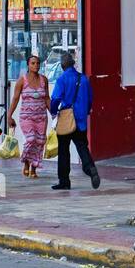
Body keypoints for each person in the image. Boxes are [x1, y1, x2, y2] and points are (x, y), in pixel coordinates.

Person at [49, 52, 99, 190]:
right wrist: (85, 111)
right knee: (82, 146)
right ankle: (90, 168)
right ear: (73, 64)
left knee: (64, 150)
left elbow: (55, 99)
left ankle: (64, 181)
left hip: (66, 119)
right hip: (81, 120)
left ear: (62, 65)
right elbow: (90, 100)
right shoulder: (84, 79)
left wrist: (53, 112)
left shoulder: (61, 80)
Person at [8, 52, 50, 178]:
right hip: (26, 117)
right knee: (31, 139)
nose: (36, 65)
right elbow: (15, 99)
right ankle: (26, 161)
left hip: (41, 117)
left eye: (37, 63)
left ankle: (33, 168)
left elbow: (47, 98)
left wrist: (54, 115)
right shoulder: (22, 80)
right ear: (28, 65)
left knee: (40, 141)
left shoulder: (44, 80)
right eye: (33, 63)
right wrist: (9, 116)